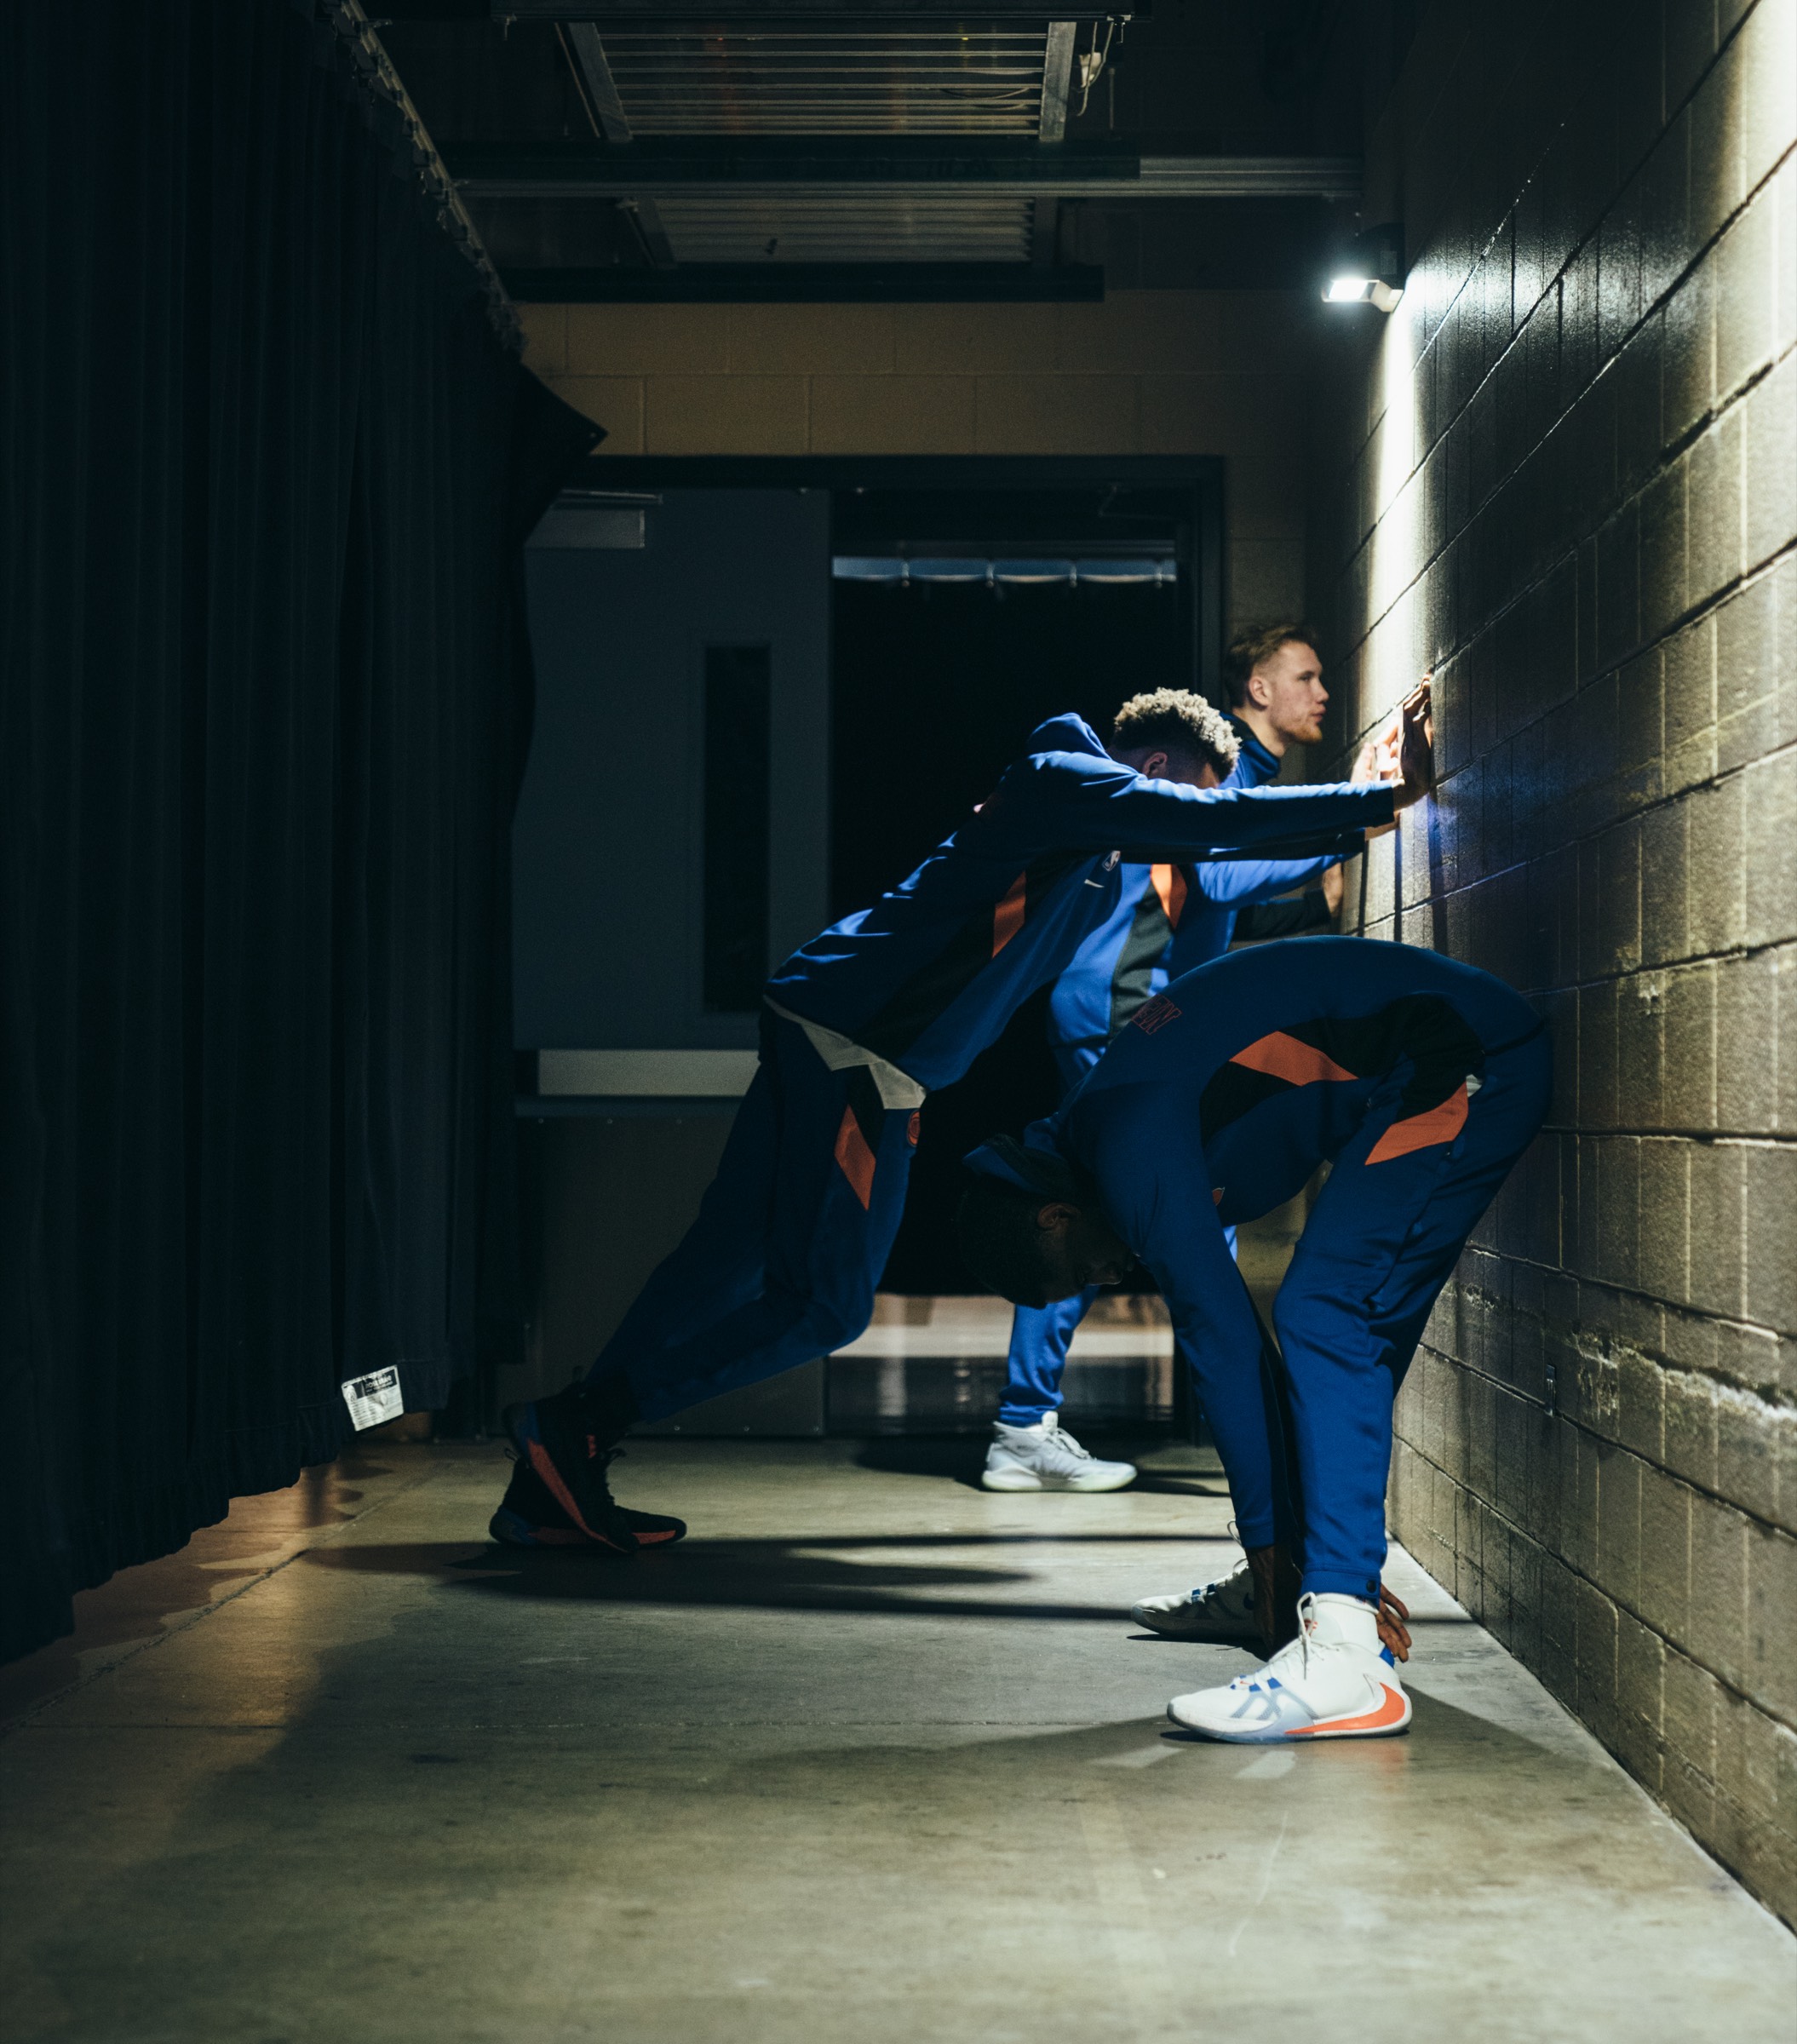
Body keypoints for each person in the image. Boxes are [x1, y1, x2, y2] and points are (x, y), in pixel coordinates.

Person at [491, 694, 1428, 1552]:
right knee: (823, 1306)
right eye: (1189, 791)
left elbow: (1221, 856)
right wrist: (1383, 792)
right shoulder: (1066, 778)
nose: (1180, 823)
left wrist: (1364, 818)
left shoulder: (1092, 845)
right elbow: (1212, 825)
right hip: (862, 1049)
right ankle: (581, 1425)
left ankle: (552, 1474)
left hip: (835, 1029)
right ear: (1152, 766)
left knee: (722, 1256)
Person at [957, 935, 1551, 1742]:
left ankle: (1346, 1650)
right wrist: (1282, 1550)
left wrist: (1274, 1549)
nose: (1111, 1276)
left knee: (1325, 1311)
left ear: (1055, 1216)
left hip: (1466, 1053)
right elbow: (1237, 1349)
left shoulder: (1127, 1143)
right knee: (1334, 1323)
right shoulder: (1101, 1141)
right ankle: (1322, 1584)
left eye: (1085, 1271)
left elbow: (1222, 1348)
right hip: (1423, 1062)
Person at [983, 647, 1369, 1494]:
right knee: (1156, 1216)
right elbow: (1222, 872)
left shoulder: (1184, 784)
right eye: (1305, 677)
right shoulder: (1181, 785)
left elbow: (1206, 906)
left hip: (1123, 1019)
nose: (1322, 692)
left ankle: (1032, 1423)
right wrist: (1360, 817)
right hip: (1122, 1018)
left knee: (1145, 1214)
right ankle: (1037, 1424)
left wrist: (1315, 880)